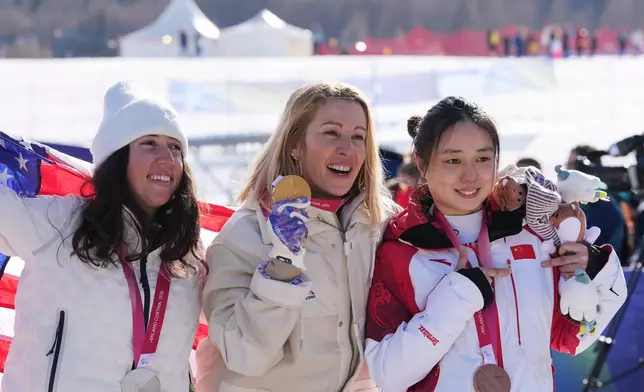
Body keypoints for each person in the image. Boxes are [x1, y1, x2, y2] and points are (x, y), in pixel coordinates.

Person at [364, 97, 627, 392]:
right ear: (424, 165)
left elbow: (573, 336)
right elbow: (385, 375)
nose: (470, 175)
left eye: (482, 158)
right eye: (453, 160)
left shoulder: (532, 234)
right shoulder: (400, 250)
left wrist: (592, 267)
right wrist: (457, 297)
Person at [0, 81, 205, 392]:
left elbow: (240, 332)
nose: (167, 157)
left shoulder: (187, 254)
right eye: (149, 143)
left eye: (175, 147)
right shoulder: (60, 225)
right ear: (118, 158)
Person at [195, 82, 399, 392]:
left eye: (358, 136)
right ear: (295, 144)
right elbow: (244, 355)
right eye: (331, 133)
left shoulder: (377, 227)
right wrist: (282, 266)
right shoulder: (245, 235)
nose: (347, 147)